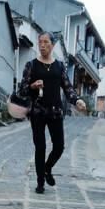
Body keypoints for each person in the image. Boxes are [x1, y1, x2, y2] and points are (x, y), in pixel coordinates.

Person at [18, 32, 86, 194]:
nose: (42, 45)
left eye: (46, 42)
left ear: (52, 45)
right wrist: (33, 86)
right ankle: (40, 182)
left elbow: (68, 88)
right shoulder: (31, 65)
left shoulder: (59, 66)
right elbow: (22, 90)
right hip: (37, 112)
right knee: (40, 147)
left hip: (55, 112)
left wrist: (77, 101)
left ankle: (47, 168)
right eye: (40, 42)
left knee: (59, 146)